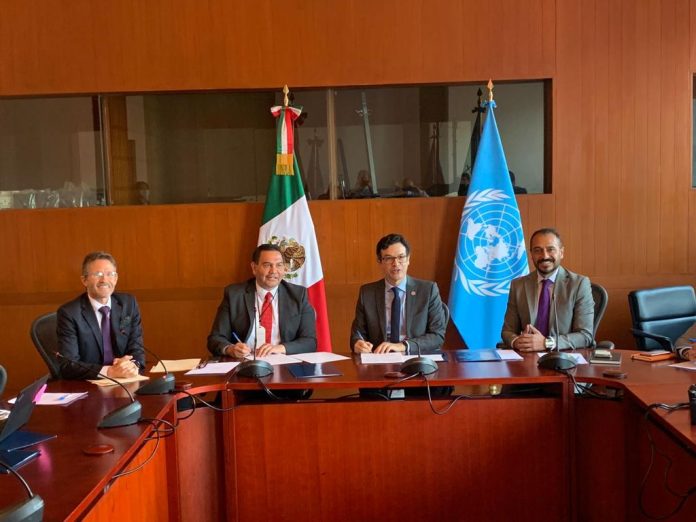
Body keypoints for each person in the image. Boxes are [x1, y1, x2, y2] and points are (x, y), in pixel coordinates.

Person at [207, 244, 317, 357]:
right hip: (246, 361)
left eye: (279, 265)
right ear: (254, 268)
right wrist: (230, 349)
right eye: (267, 265)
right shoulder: (234, 295)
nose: (273, 271)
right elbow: (215, 338)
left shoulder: (298, 295)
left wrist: (280, 348)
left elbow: (310, 342)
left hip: (284, 361)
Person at [350, 233, 446, 354]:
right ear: (380, 261)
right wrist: (357, 343)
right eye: (389, 258)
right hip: (380, 357)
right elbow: (357, 333)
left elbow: (437, 336)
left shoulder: (428, 290)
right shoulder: (367, 293)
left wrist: (403, 346)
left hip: (414, 357)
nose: (396, 263)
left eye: (401, 257)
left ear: (408, 259)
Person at [502, 228, 594, 351]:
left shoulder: (579, 284)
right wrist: (517, 342)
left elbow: (585, 335)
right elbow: (508, 331)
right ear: (531, 255)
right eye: (537, 250)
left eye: (550, 249)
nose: (544, 256)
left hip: (563, 357)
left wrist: (547, 343)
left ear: (561, 252)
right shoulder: (518, 285)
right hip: (528, 356)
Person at [57, 252, 145, 380]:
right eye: (98, 274)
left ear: (116, 278)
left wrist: (133, 365)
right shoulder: (69, 313)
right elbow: (68, 365)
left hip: (126, 379)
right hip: (88, 384)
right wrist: (109, 372)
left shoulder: (128, 303)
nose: (104, 280)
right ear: (84, 280)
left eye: (110, 274)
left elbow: (137, 348)